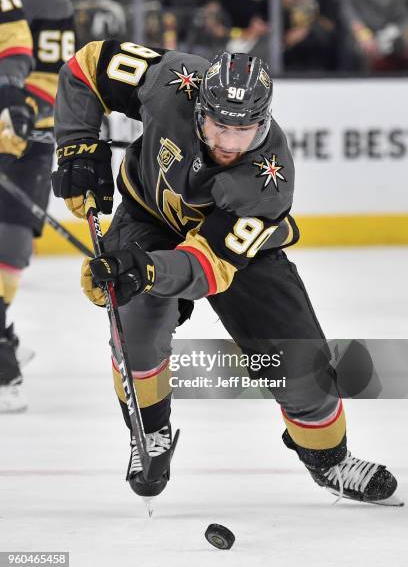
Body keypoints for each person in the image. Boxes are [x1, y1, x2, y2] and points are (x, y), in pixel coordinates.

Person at [52, 41, 400, 507]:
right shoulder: (171, 81)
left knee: (299, 362)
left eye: (246, 130)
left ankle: (328, 458)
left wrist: (146, 270)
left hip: (235, 255)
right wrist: (77, 145)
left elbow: (208, 266)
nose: (229, 145)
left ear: (265, 121)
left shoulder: (267, 180)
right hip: (148, 217)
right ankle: (150, 433)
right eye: (218, 126)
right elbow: (87, 65)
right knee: (133, 323)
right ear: (200, 109)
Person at [0, 0, 75, 412]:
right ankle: (3, 337)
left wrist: (19, 109)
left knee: (10, 244)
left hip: (28, 133)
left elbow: (53, 69)